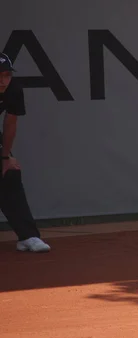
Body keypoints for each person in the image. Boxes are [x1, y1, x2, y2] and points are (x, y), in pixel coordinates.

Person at [0, 52, 51, 253]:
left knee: (9, 173)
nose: (3, 80)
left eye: (6, 75)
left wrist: (5, 157)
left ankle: (28, 236)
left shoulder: (13, 90)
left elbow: (10, 123)